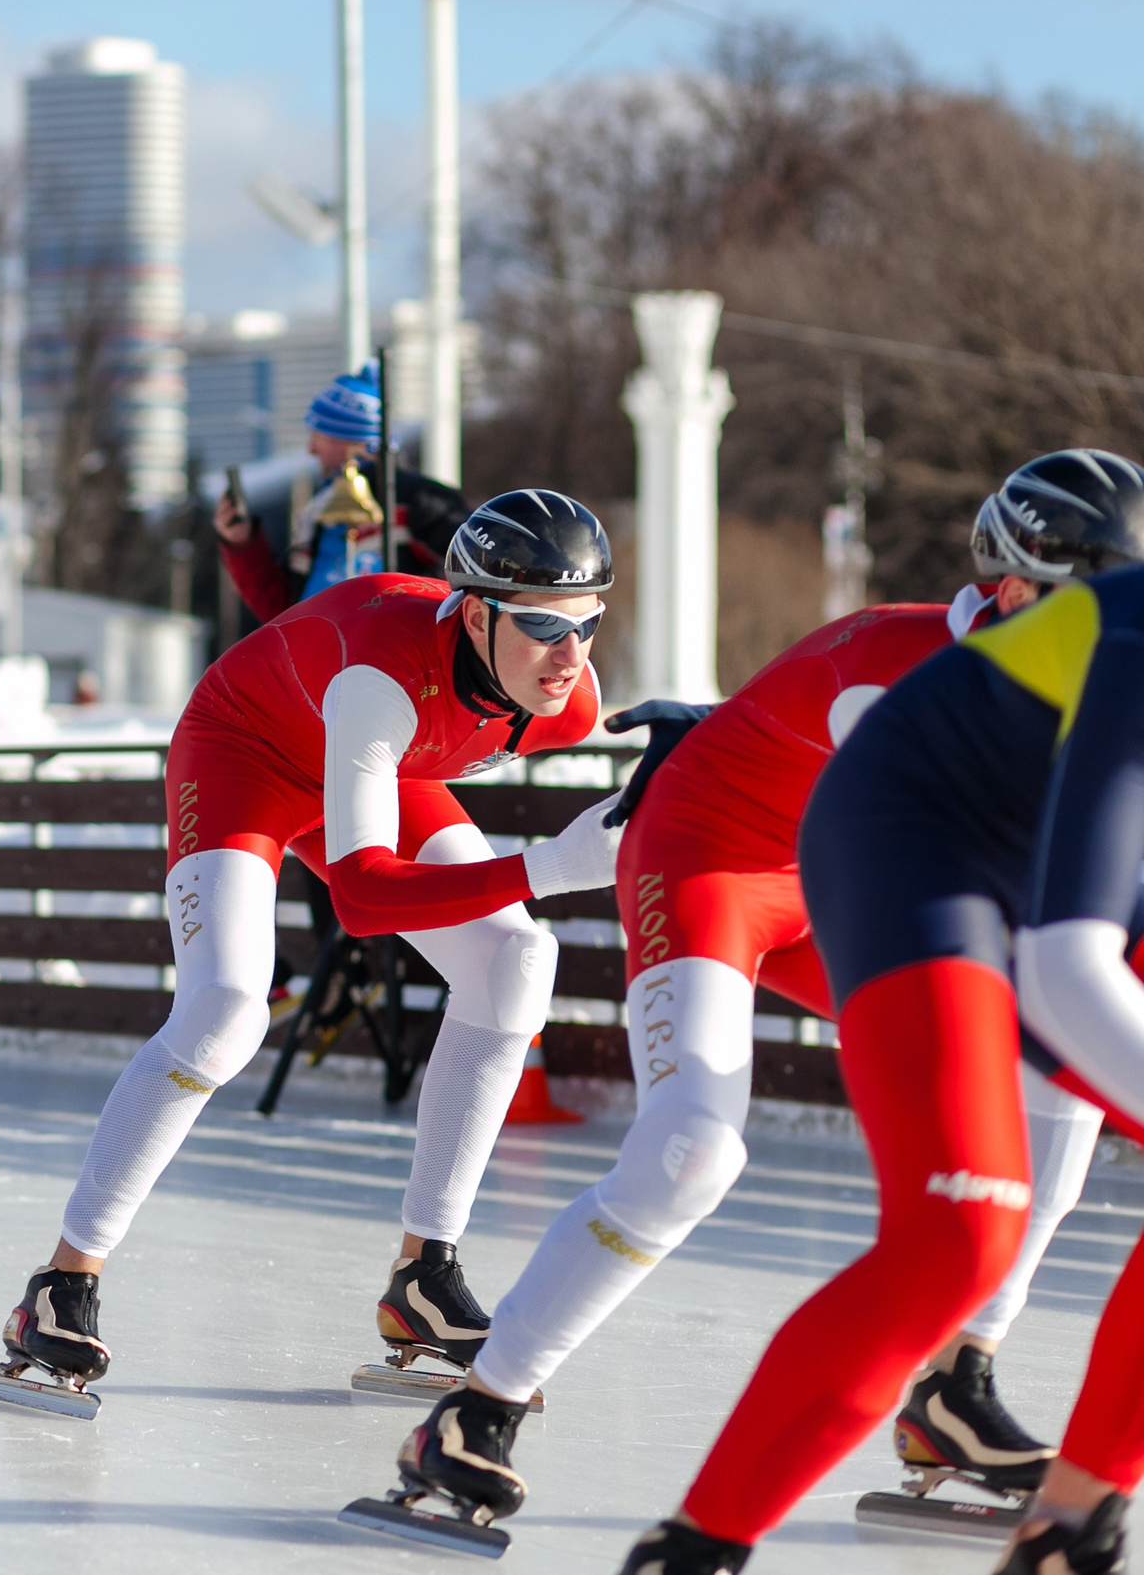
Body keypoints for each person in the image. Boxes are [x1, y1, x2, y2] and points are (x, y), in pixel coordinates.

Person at [381, 454, 1124, 1540]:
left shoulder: (1069, 668)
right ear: (1015, 594)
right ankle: (473, 1412)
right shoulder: (898, 662)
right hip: (715, 863)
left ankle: (956, 1380)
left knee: (1052, 1081)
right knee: (690, 1148)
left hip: (850, 879)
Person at [0, 491, 627, 1409]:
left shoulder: (565, 697)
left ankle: (423, 1277)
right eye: (542, 629)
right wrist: (551, 866)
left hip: (370, 766)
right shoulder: (381, 677)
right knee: (226, 1010)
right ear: (475, 614)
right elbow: (361, 897)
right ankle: (60, 1286)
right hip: (246, 755)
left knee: (516, 961)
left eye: (589, 625)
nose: (571, 657)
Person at [619, 449, 1144, 1575]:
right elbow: (1064, 970)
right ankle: (695, 1546)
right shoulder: (1129, 643)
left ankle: (1070, 1520)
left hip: (1054, 845)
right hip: (919, 834)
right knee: (961, 1229)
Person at [213, 363, 469, 619]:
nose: (311, 449)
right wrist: (242, 544)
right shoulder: (319, 511)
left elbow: (467, 581)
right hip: (322, 654)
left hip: (391, 655)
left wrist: (400, 618)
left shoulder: (421, 502)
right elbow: (282, 609)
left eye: (318, 434)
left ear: (349, 439)